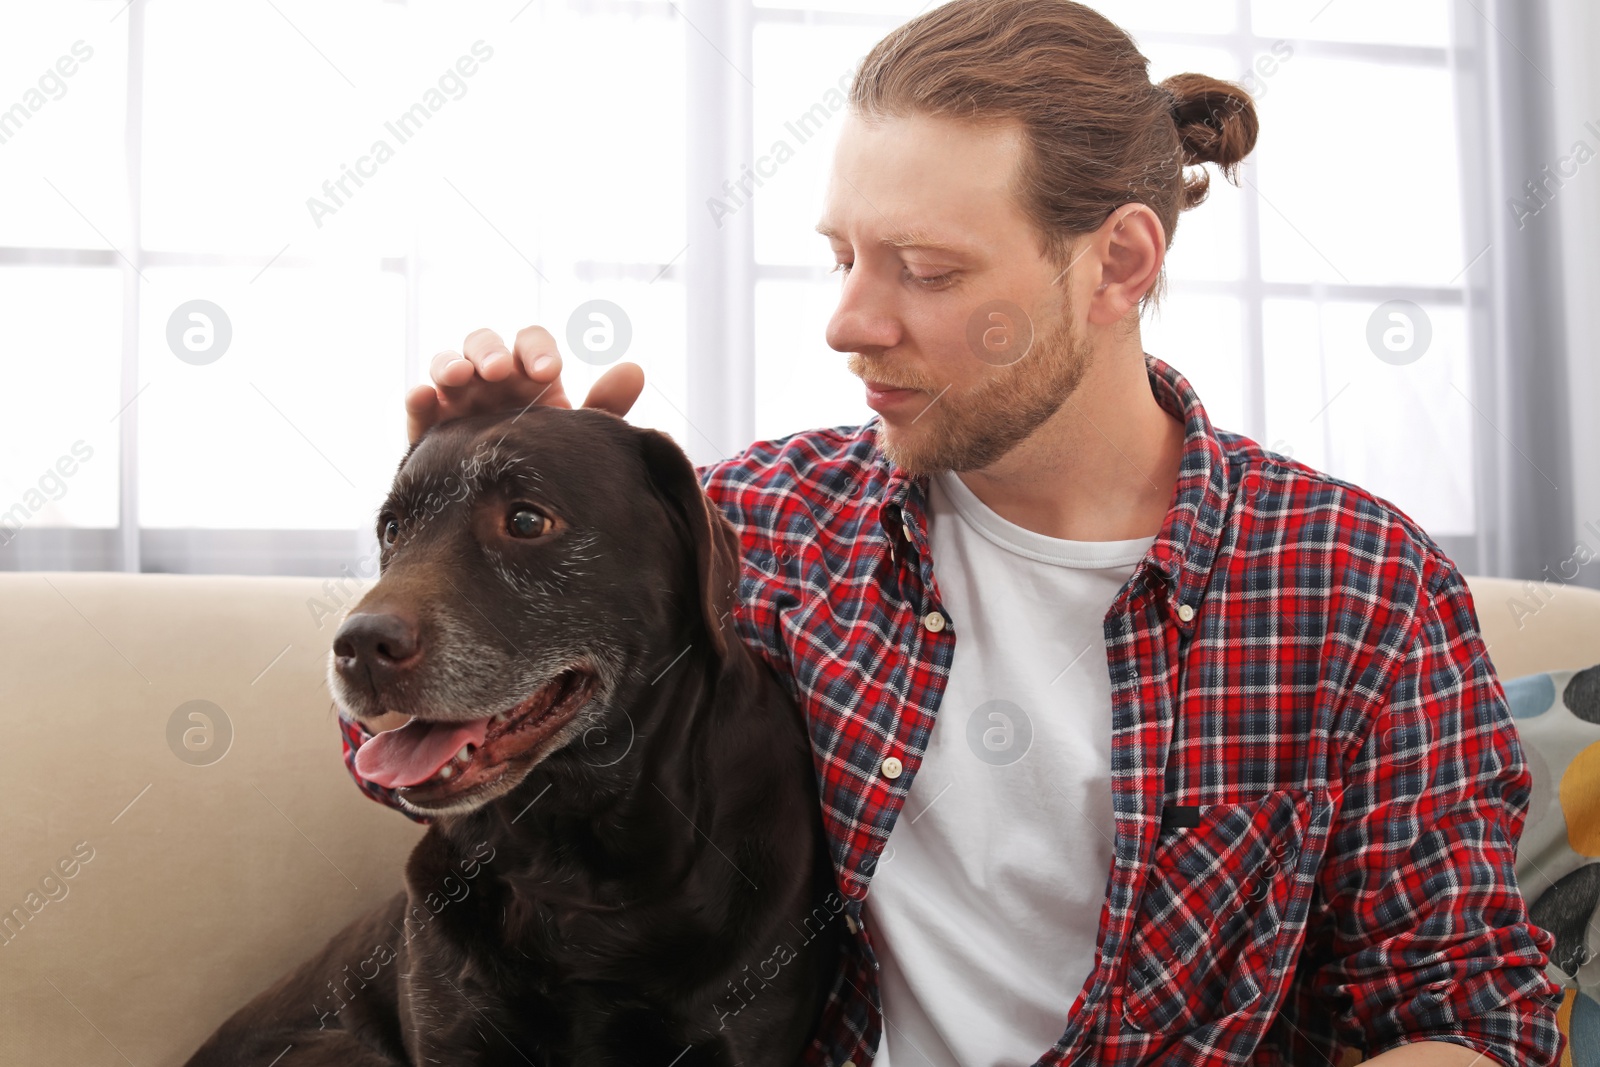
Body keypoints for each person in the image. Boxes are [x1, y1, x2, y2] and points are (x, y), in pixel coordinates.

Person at [338, 2, 1566, 1064]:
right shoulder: (759, 527)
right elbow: (438, 727)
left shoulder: (1358, 589)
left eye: (923, 268)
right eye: (842, 257)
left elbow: (1475, 1014)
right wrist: (485, 511)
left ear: (1118, 260)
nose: (848, 321)